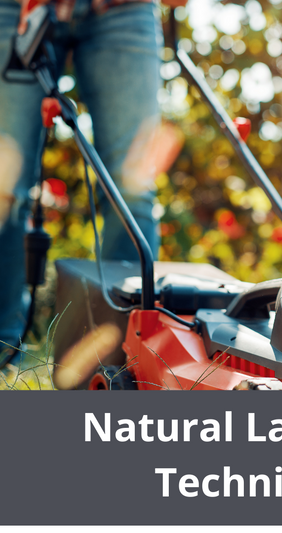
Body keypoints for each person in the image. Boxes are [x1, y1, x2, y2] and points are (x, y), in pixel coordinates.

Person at [0, 0, 185, 367]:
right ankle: (4, 348)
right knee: (5, 184)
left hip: (123, 9)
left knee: (131, 187)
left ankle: (129, 355)